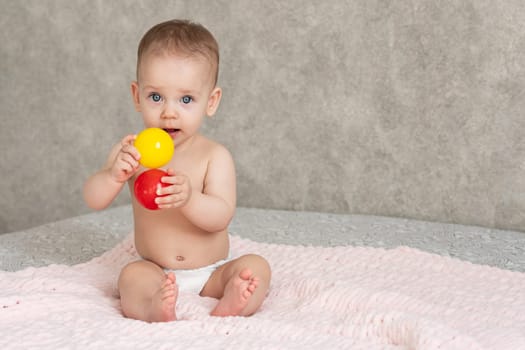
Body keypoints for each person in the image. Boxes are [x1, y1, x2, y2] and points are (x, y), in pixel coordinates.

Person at [83, 19, 271, 322]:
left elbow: (221, 216)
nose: (169, 111)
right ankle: (155, 305)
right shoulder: (132, 151)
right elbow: (93, 199)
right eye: (156, 97)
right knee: (131, 277)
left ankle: (232, 301)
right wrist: (112, 176)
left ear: (210, 102)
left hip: (212, 272)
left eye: (186, 99)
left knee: (256, 268)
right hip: (154, 267)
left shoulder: (214, 156)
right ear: (136, 96)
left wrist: (190, 199)